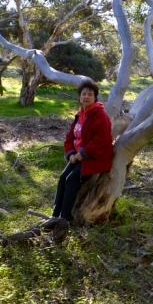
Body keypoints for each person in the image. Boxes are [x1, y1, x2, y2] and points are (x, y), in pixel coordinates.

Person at [52, 80, 113, 222]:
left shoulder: (100, 115)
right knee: (62, 178)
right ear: (79, 97)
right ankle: (55, 214)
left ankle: (64, 217)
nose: (86, 97)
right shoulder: (79, 115)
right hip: (78, 156)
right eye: (83, 94)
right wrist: (71, 154)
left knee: (71, 179)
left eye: (90, 94)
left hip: (94, 157)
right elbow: (69, 138)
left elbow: (102, 140)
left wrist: (82, 154)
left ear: (94, 98)